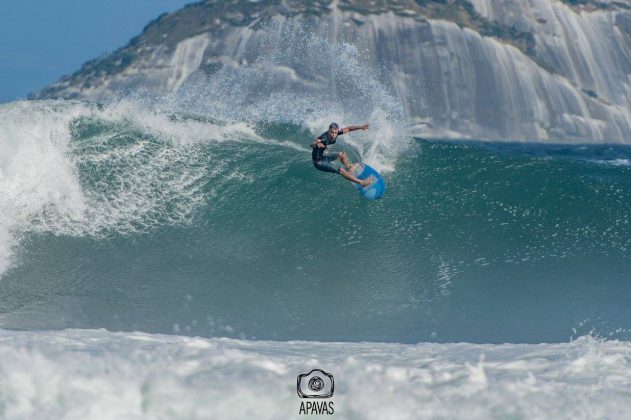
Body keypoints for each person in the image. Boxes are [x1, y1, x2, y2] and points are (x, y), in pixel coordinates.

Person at [311, 122, 374, 187]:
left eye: (335, 133)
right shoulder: (323, 138)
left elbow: (349, 129)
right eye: (332, 132)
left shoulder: (336, 133)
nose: (333, 135)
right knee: (341, 170)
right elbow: (312, 144)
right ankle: (362, 183)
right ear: (328, 130)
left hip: (325, 156)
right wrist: (316, 144)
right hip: (319, 162)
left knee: (342, 154)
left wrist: (361, 127)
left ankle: (349, 169)